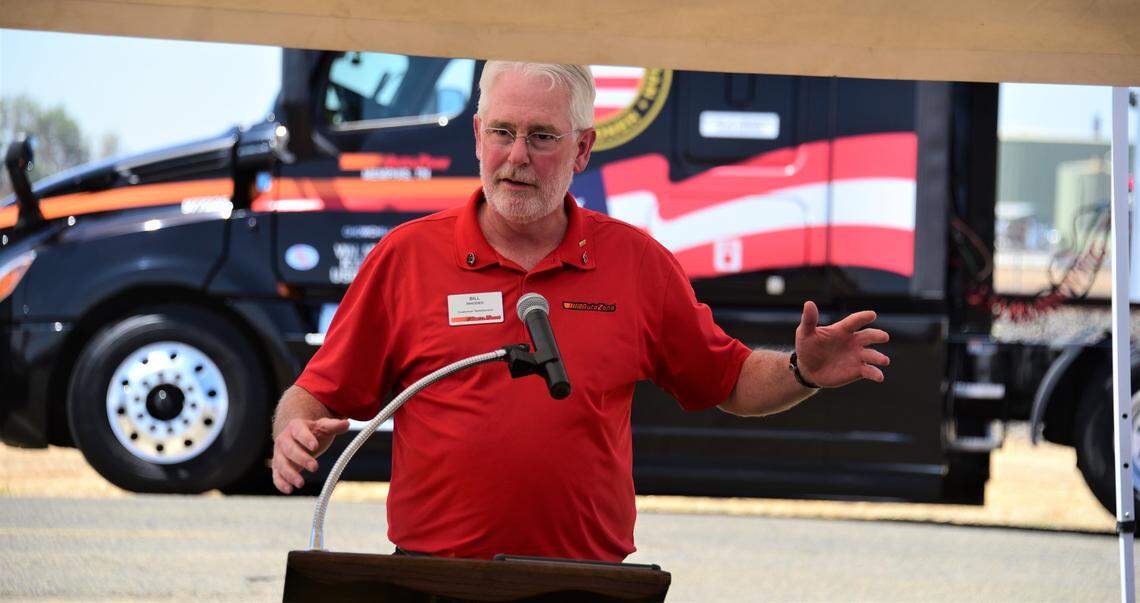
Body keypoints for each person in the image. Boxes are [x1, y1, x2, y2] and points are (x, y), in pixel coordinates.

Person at [270, 61, 890, 562]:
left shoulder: (636, 263)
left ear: (583, 148)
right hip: (435, 577)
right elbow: (314, 393)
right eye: (502, 132)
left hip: (584, 582)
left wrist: (801, 372)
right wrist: (293, 429)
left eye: (542, 137)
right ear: (477, 135)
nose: (517, 156)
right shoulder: (407, 257)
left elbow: (726, 379)